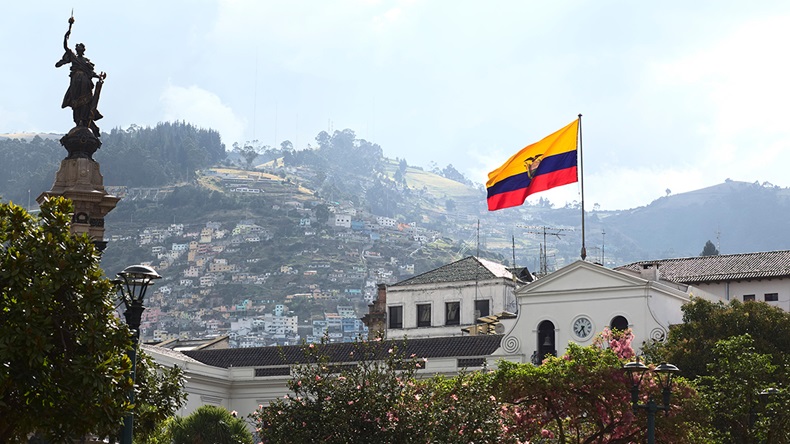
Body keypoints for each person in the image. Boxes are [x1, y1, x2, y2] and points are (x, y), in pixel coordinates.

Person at [55, 17, 103, 137]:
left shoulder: (86, 62)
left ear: (83, 50)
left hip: (85, 82)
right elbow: (65, 45)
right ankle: (79, 121)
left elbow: (91, 73)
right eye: (78, 48)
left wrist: (99, 76)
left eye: (81, 48)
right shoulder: (73, 57)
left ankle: (84, 120)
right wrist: (69, 30)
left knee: (86, 101)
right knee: (75, 102)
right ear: (76, 50)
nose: (79, 49)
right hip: (76, 82)